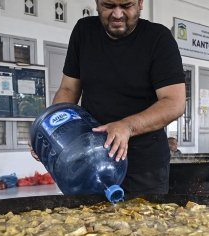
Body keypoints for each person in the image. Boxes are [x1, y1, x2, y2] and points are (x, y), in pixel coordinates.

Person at [35, 0, 186, 195]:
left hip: (144, 169)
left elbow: (174, 103)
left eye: (126, 5)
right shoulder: (84, 31)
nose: (117, 14)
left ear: (141, 3)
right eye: (108, 5)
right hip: (89, 163)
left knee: (143, 225)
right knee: (89, 225)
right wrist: (51, 130)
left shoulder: (158, 39)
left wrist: (127, 126)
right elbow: (68, 89)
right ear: (97, 3)